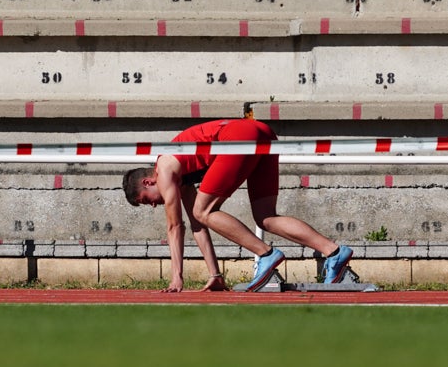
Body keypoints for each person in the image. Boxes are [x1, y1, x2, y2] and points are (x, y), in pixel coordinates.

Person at [122, 117, 354, 292]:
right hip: (260, 131)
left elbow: (175, 227)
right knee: (265, 217)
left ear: (148, 182)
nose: (154, 205)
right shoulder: (180, 174)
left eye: (146, 200)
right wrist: (215, 274)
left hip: (237, 136)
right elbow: (197, 226)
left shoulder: (164, 169)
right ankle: (333, 252)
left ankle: (265, 254)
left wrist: (176, 278)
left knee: (203, 210)